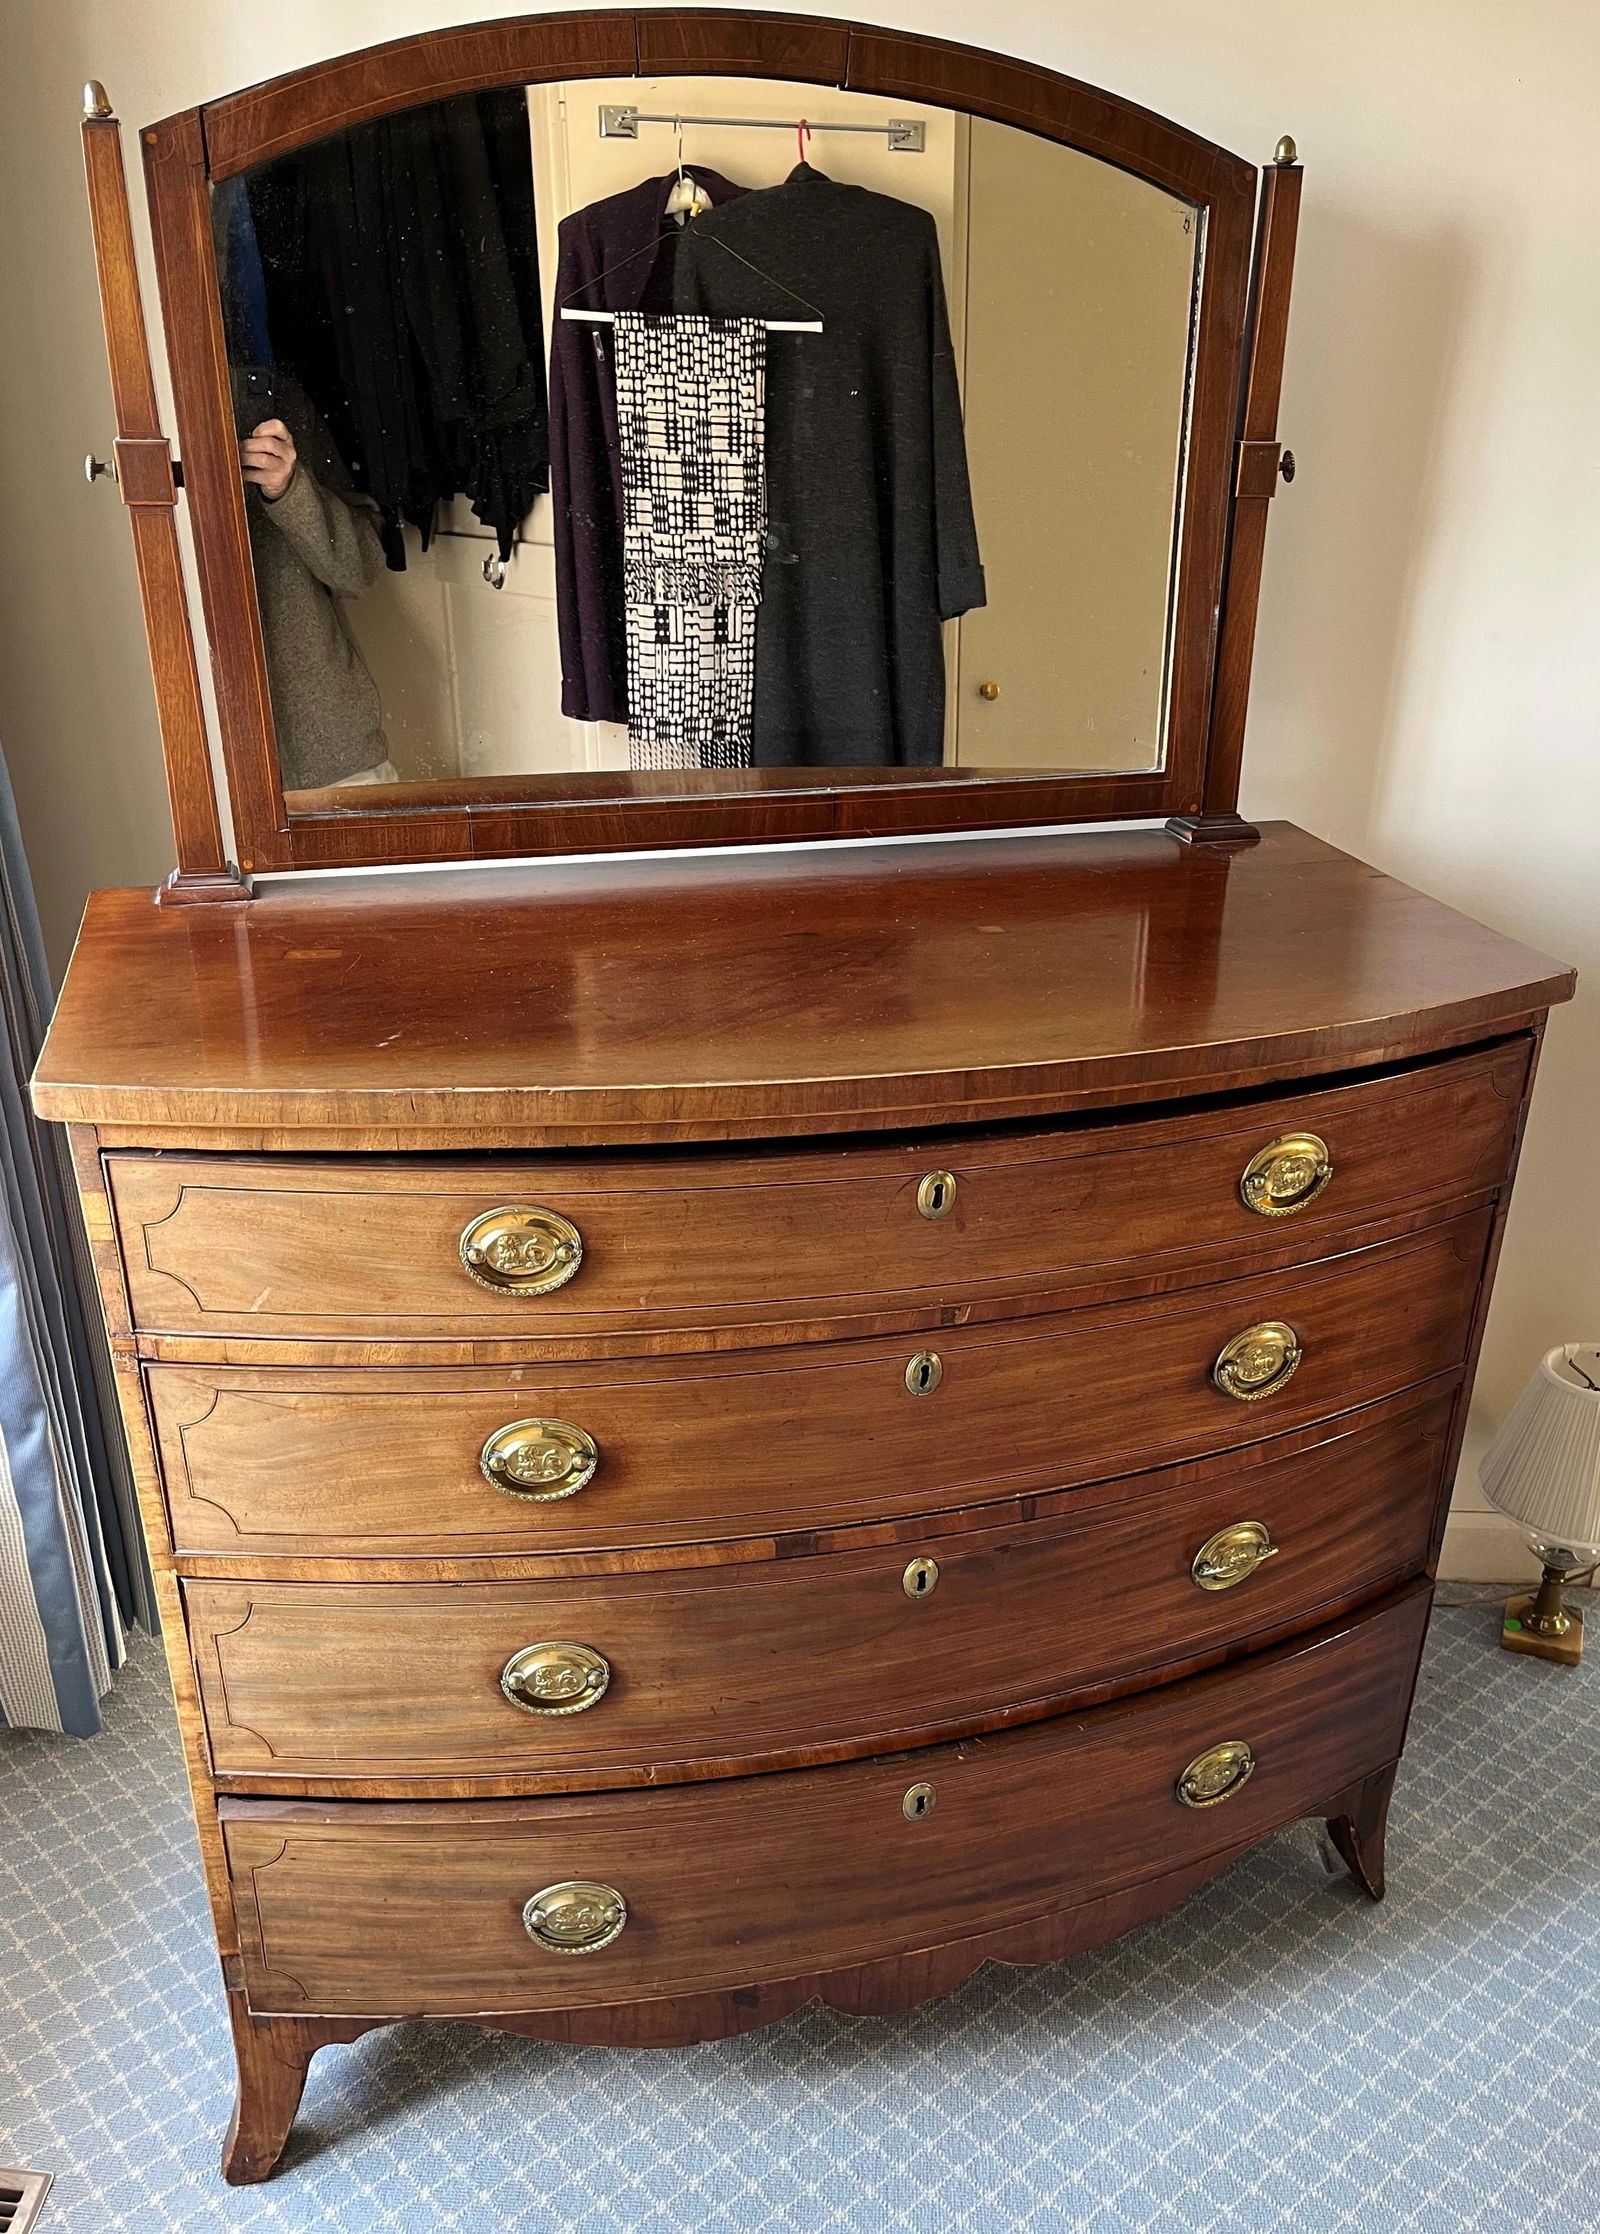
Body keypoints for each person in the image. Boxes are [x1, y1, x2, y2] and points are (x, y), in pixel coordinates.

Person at [234, 372, 398, 789]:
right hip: (206, 774)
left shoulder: (271, 395)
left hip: (334, 757)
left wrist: (289, 490)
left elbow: (361, 570)